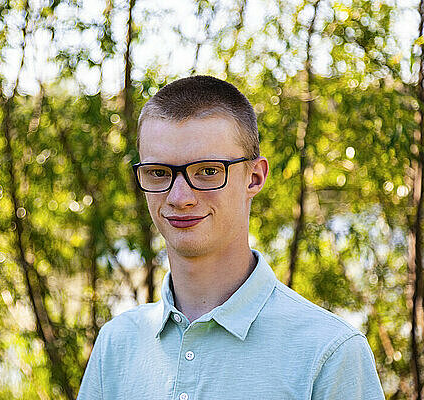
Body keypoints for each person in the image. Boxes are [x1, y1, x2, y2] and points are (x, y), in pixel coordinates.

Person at [77, 76, 385, 399]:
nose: (179, 197)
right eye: (159, 172)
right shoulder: (116, 346)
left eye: (207, 171)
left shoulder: (329, 354)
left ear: (254, 177)